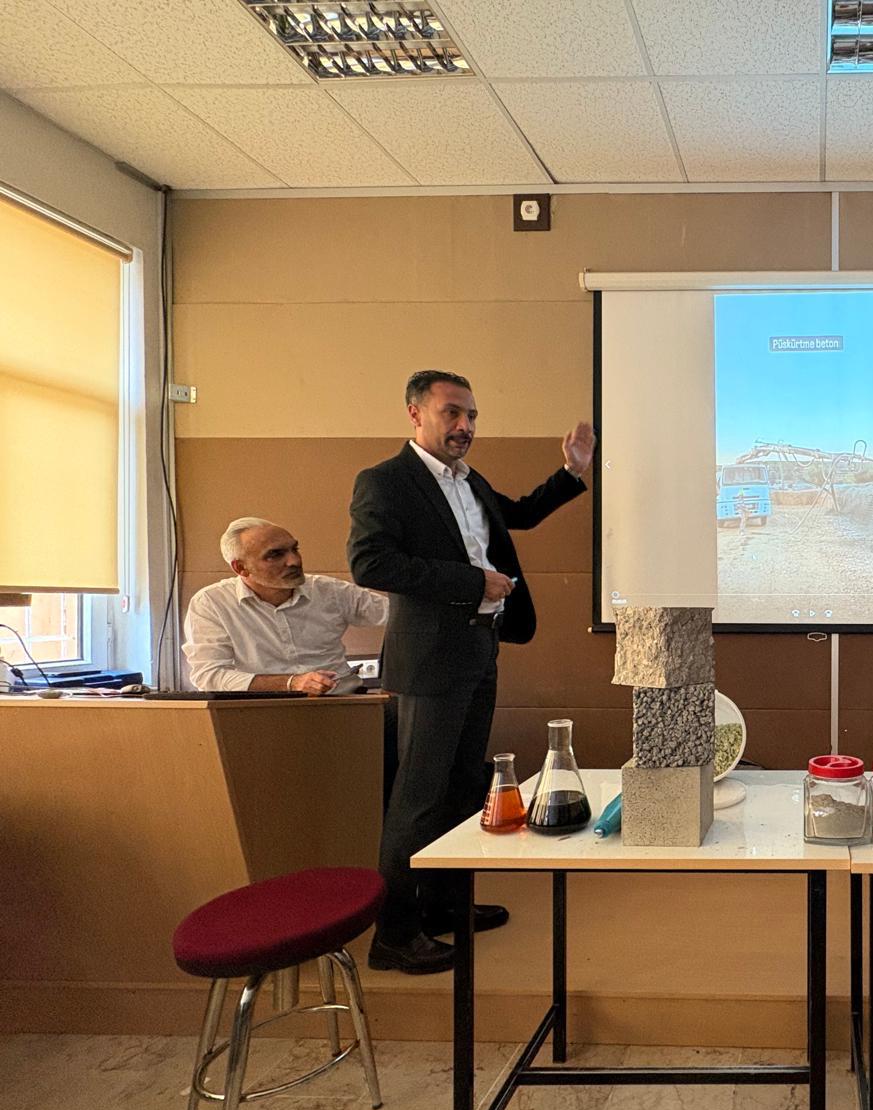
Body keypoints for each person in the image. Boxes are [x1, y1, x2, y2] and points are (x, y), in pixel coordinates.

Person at [349, 369, 594, 974]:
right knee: (417, 797)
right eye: (452, 413)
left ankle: (442, 906)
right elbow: (370, 563)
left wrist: (571, 473)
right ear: (415, 414)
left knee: (462, 788)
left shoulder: (467, 479)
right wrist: (471, 582)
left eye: (473, 416)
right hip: (430, 658)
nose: (465, 426)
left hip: (480, 647)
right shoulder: (386, 481)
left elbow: (519, 515)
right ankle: (394, 934)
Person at [183, 517, 388, 695]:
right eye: (275, 555)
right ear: (241, 567)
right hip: (260, 712)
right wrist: (291, 683)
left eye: (294, 549)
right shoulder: (212, 603)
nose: (294, 561)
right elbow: (210, 676)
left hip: (344, 704)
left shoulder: (330, 591)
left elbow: (398, 615)